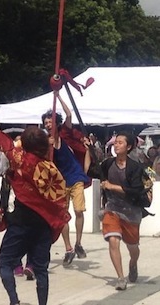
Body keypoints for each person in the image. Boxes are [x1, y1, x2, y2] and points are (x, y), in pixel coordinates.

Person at [0, 97, 70, 305]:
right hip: (43, 225)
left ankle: (14, 301)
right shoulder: (50, 168)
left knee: (5, 264)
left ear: (25, 145)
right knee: (41, 270)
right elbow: (59, 196)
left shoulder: (20, 159)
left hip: (20, 223)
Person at [42, 91, 90, 266]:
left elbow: (69, 114)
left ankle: (78, 243)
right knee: (62, 216)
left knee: (78, 210)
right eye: (46, 122)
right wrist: (47, 147)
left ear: (56, 122)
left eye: (50, 121)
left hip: (75, 176)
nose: (48, 124)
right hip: (60, 183)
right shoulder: (45, 142)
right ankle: (69, 248)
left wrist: (58, 96)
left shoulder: (65, 133)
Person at [100, 132, 150, 291]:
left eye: (120, 142)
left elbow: (136, 191)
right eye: (115, 142)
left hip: (131, 212)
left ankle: (133, 263)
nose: (116, 145)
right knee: (113, 240)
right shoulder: (107, 164)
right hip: (112, 209)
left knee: (133, 247)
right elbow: (91, 171)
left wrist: (112, 186)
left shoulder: (135, 168)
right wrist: (88, 150)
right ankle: (121, 278)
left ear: (128, 147)